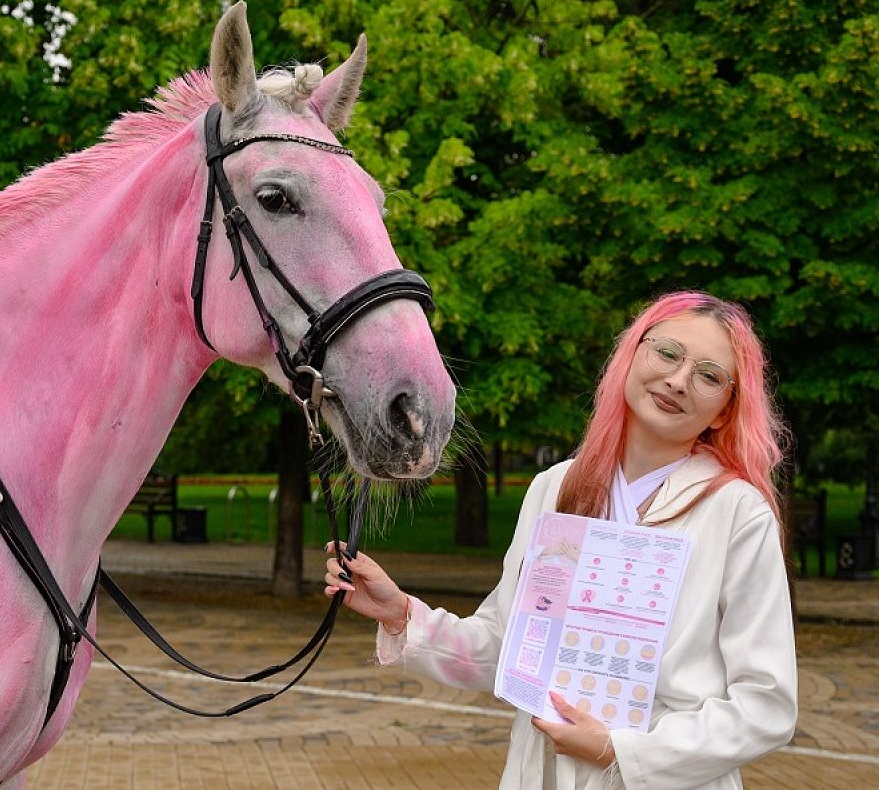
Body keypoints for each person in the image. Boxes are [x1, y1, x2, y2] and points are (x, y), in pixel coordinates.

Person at [324, 291, 797, 790]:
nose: (678, 381)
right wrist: (402, 614)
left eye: (709, 376)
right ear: (633, 353)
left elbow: (765, 704)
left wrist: (626, 753)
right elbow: (511, 649)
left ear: (725, 410)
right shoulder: (555, 487)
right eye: (668, 353)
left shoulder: (737, 513)